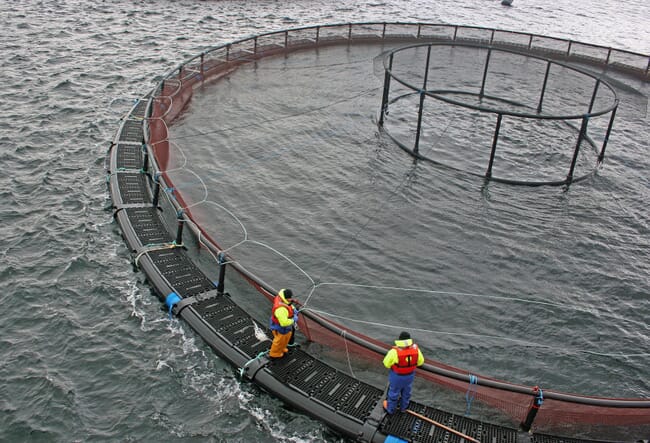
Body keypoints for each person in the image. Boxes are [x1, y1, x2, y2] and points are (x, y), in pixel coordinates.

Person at [382, 331, 424, 414]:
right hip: (410, 376)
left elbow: (386, 364)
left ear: (400, 340)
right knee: (406, 392)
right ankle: (403, 408)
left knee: (394, 392)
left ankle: (390, 409)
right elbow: (420, 362)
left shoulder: (394, 352)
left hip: (397, 377)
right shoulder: (416, 350)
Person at [268, 288, 299, 359]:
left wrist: (293, 309)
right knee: (279, 341)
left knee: (286, 338)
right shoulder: (280, 309)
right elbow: (284, 323)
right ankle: (274, 353)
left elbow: (289, 305)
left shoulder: (283, 298)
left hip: (286, 329)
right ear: (285, 298)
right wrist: (293, 319)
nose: (291, 299)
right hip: (279, 327)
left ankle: (282, 348)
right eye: (289, 298)